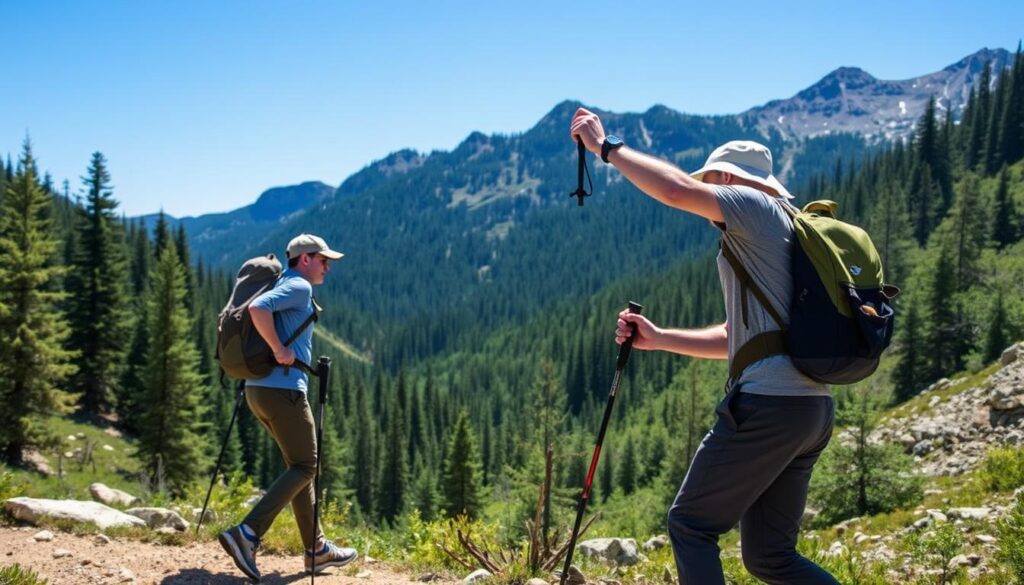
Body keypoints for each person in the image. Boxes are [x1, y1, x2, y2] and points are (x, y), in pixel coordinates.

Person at [570, 108, 838, 585]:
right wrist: (659, 338)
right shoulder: (789, 228)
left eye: (711, 183)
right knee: (770, 557)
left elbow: (675, 190)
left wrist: (605, 148)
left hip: (769, 404)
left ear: (726, 179)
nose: (709, 197)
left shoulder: (752, 207)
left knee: (690, 525)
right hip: (810, 409)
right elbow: (745, 337)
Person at [219, 233, 357, 582]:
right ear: (305, 258)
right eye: (324, 259)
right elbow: (257, 308)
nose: (328, 266)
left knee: (299, 467)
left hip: (259, 391)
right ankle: (247, 534)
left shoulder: (285, 283)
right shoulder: (299, 287)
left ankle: (317, 550)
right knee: (307, 465)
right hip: (284, 392)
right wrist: (280, 349)